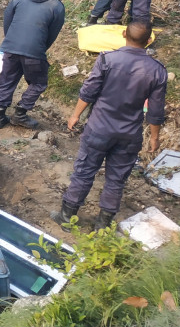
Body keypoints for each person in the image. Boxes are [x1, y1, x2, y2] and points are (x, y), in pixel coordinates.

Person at [52, 22, 167, 229]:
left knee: (84, 170)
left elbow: (89, 91)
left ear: (123, 34)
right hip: (129, 134)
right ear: (149, 40)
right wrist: (154, 137)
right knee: (116, 179)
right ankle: (102, 225)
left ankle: (67, 216)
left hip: (99, 128)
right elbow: (156, 111)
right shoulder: (157, 71)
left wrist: (75, 115)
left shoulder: (107, 59)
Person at [0, 0, 65, 129]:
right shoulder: (57, 6)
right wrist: (40, 48)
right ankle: (20, 113)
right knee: (39, 83)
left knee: (7, 78)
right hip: (35, 50)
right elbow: (53, 33)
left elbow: (7, 20)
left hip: (11, 46)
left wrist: (11, 40)